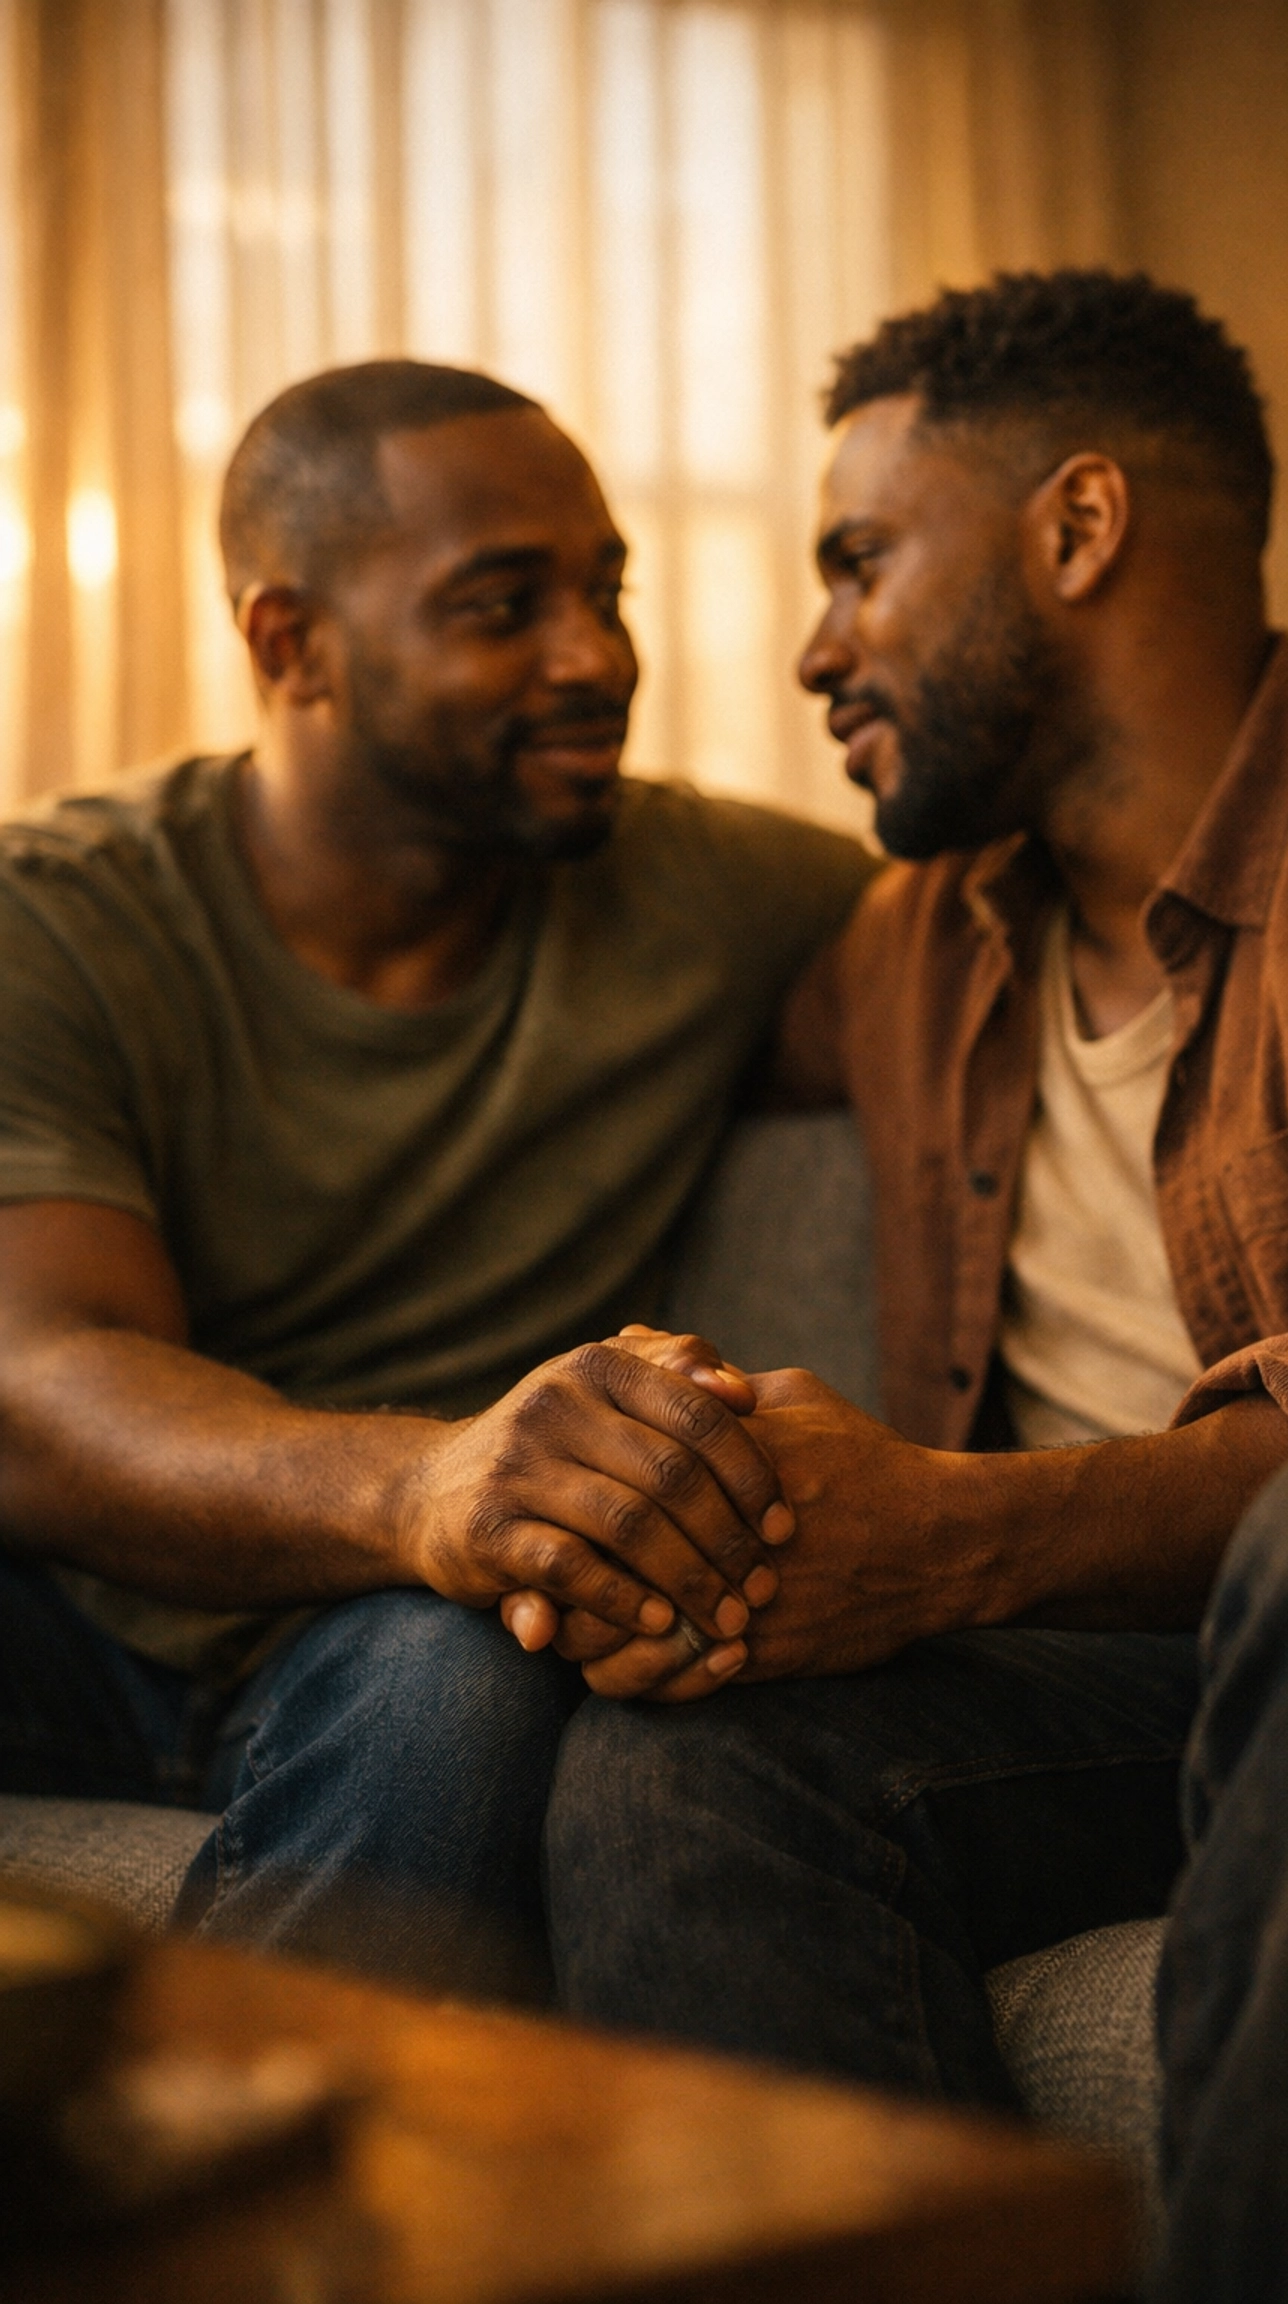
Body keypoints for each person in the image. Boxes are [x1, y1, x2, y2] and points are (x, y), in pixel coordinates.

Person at [523, 273, 1288, 2298]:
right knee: (682, 1756)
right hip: (1133, 1682)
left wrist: (953, 1536)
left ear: (1078, 529)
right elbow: (579, 1001)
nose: (813, 648)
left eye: (860, 563)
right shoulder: (909, 947)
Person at [0, 358, 874, 1994]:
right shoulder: (56, 919)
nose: (596, 658)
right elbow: (40, 1390)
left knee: (463, 1675)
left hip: (381, 1643)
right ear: (290, 643)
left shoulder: (712, 892)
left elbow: (995, 959)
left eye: (608, 591)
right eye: (501, 605)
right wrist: (430, 1486)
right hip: (67, 1620)